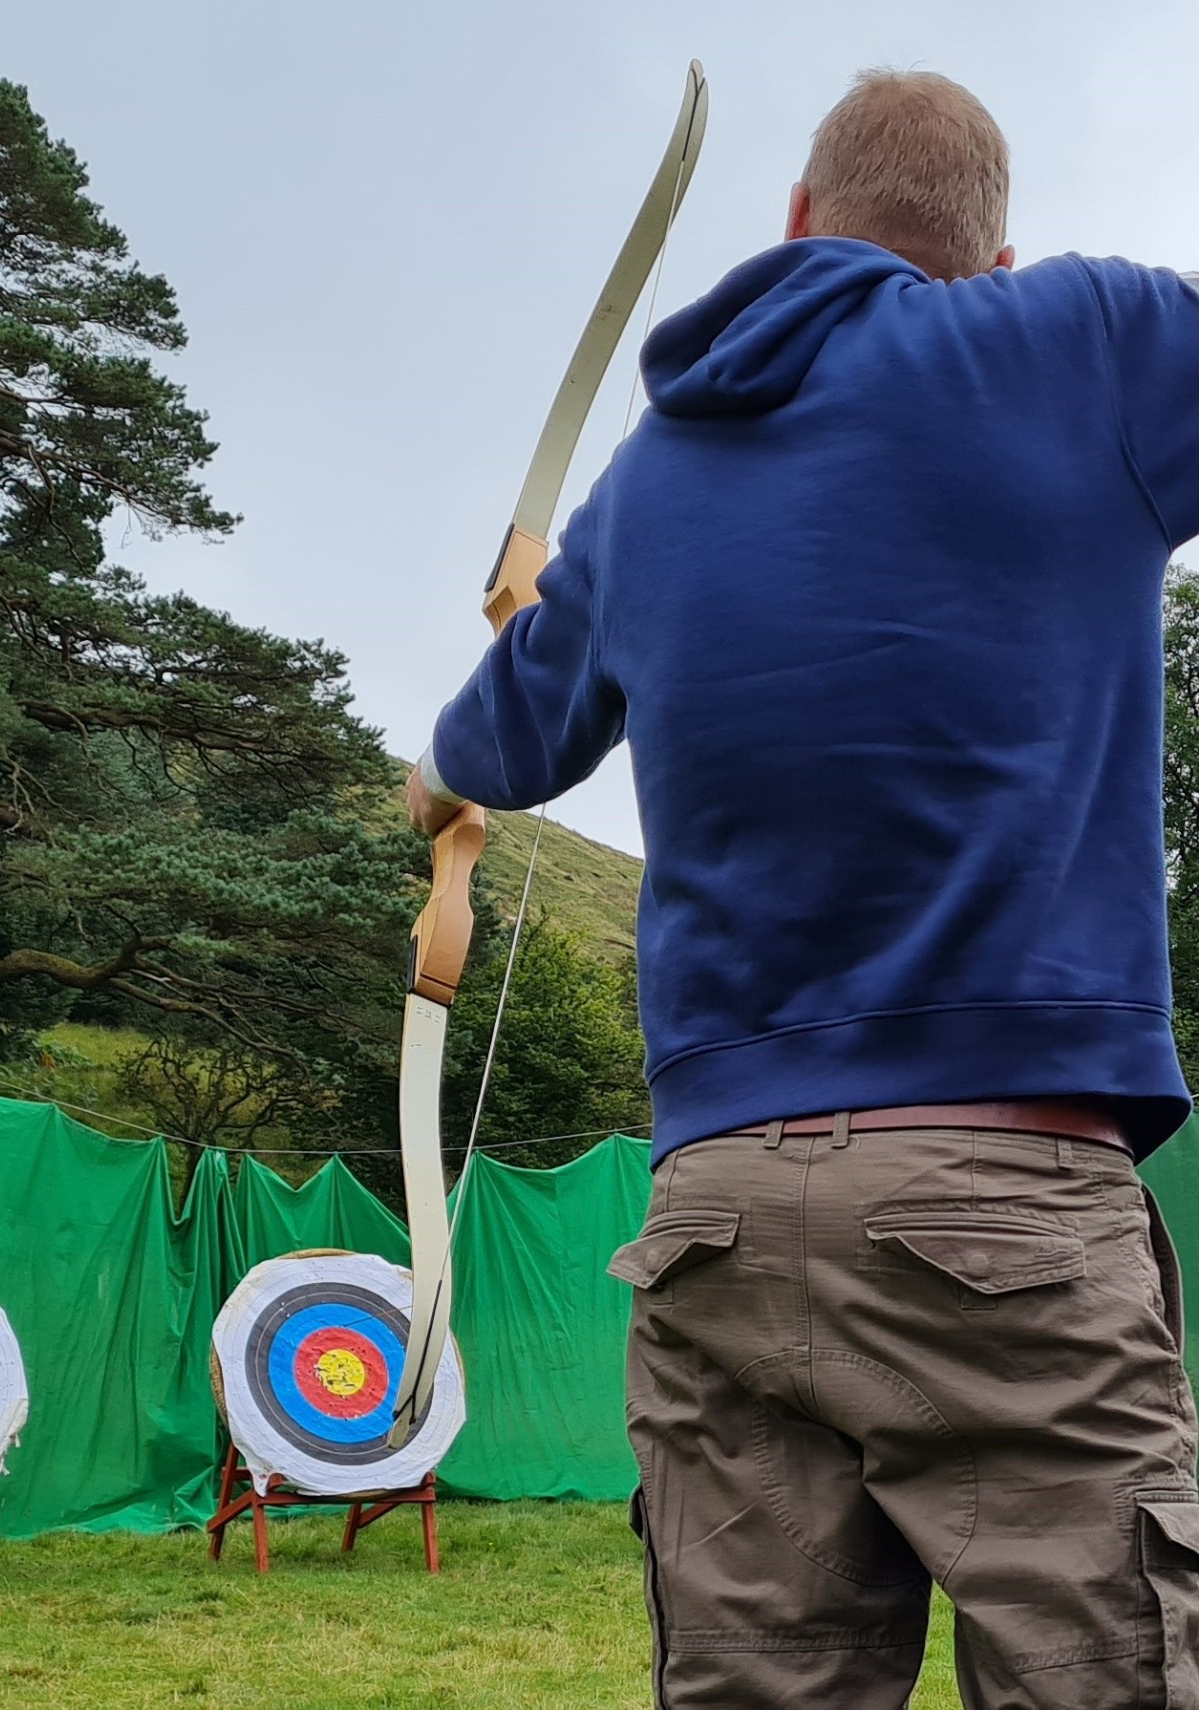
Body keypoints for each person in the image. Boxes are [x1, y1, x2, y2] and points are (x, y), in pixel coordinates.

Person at [409, 68, 1199, 1710]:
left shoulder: (648, 479)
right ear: (987, 257)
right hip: (1004, 1194)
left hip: (717, 1221)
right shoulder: (1083, 343)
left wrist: (498, 674)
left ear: (795, 225)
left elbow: (484, 748)